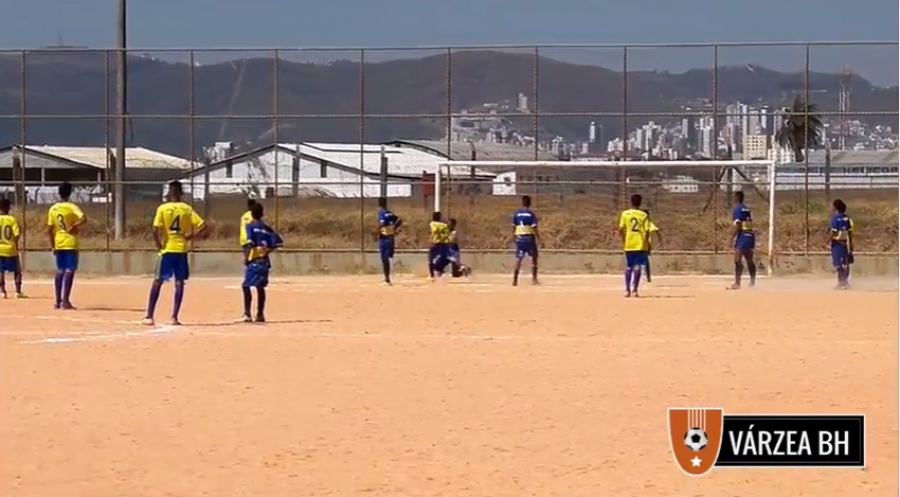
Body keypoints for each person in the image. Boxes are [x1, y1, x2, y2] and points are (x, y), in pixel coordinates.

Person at [142, 181, 207, 326]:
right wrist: (190, 237)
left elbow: (155, 230)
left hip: (167, 249)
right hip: (181, 250)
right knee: (179, 282)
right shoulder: (186, 209)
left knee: (158, 281)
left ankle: (149, 315)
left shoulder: (163, 208)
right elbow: (203, 225)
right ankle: (174, 317)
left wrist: (159, 245)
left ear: (169, 193)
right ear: (181, 193)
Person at [239, 202, 284, 322]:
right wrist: (267, 250)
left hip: (254, 260)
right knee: (260, 287)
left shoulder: (250, 226)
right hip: (264, 261)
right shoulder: (267, 228)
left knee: (246, 285)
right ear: (262, 214)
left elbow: (250, 243)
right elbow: (278, 242)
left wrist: (247, 257)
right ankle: (260, 314)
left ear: (251, 213)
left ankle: (247, 314)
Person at [47, 181, 87, 309]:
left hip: (59, 242)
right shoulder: (71, 207)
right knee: (70, 270)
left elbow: (49, 229)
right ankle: (65, 301)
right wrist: (74, 225)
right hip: (70, 242)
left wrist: (53, 245)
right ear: (70, 193)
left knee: (60, 270)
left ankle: (57, 301)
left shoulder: (53, 208)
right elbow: (84, 218)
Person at [618, 194, 651, 298]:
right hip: (640, 244)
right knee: (637, 266)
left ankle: (627, 290)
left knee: (629, 266)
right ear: (640, 203)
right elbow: (647, 231)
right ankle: (635, 290)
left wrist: (624, 240)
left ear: (631, 202)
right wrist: (648, 243)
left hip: (629, 243)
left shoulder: (625, 214)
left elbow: (620, 229)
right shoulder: (643, 215)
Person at [730, 191, 757, 289]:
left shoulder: (737, 209)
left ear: (736, 198)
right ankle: (753, 282)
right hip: (750, 235)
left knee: (737, 259)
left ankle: (737, 283)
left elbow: (738, 224)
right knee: (749, 259)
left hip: (742, 236)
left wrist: (731, 237)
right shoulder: (747, 209)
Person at [512, 195, 539, 286]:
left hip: (520, 238)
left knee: (519, 259)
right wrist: (539, 238)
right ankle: (534, 279)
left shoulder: (517, 214)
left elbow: (514, 226)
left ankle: (515, 279)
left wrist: (514, 237)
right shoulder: (531, 214)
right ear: (529, 203)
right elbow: (534, 227)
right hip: (529, 238)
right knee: (534, 258)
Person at [0, 198, 25, 299]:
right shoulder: (12, 219)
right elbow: (17, 233)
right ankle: (18, 291)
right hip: (11, 248)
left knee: (0, 271)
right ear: (8, 208)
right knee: (17, 271)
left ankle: (3, 292)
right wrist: (15, 242)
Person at [827, 199, 854, 290]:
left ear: (835, 207)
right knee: (845, 263)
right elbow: (849, 233)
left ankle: (842, 283)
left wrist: (827, 241)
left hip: (837, 244)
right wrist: (851, 245)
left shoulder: (835, 218)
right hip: (844, 243)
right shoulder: (847, 218)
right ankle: (845, 282)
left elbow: (834, 232)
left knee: (838, 264)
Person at [376, 197, 402, 285]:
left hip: (384, 237)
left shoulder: (381, 213)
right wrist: (394, 228)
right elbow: (399, 220)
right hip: (391, 237)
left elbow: (382, 223)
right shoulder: (389, 213)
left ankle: (387, 279)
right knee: (387, 258)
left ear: (379, 204)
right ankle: (387, 278)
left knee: (384, 259)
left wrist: (377, 232)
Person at [428, 211, 451, 280]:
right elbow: (448, 234)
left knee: (431, 259)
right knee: (444, 258)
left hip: (436, 242)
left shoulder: (433, 224)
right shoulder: (444, 225)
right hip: (444, 243)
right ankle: (440, 270)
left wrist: (431, 239)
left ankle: (432, 275)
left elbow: (434, 231)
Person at [643, 209, 662, 283]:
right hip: (640, 244)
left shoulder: (649, 223)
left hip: (646, 244)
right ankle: (646, 276)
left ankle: (648, 276)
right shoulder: (645, 223)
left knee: (645, 260)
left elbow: (657, 231)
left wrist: (659, 241)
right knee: (643, 260)